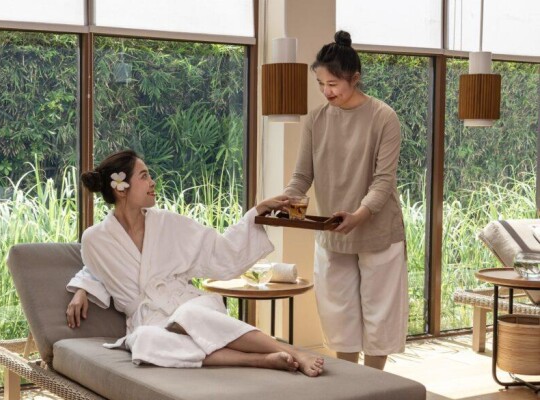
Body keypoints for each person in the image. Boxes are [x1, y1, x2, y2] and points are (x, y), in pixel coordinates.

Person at [66, 149, 324, 376]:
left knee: (190, 315)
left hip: (189, 304)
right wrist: (82, 289)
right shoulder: (95, 239)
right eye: (144, 176)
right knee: (144, 341)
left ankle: (292, 352)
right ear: (120, 188)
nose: (152, 182)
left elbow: (220, 250)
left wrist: (256, 212)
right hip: (150, 319)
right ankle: (259, 360)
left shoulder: (168, 223)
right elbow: (99, 267)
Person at [283, 31, 408, 370]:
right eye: (321, 84)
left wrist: (359, 215)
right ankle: (354, 384)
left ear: (355, 78)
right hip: (333, 231)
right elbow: (302, 176)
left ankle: (375, 385)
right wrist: (285, 200)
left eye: (333, 84)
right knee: (340, 318)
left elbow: (383, 181)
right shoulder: (316, 119)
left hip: (378, 232)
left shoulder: (384, 117)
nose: (327, 92)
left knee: (380, 318)